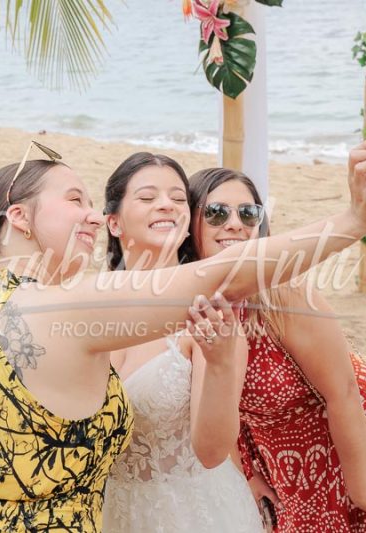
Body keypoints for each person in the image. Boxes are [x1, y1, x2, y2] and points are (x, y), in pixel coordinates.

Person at [0, 136, 366, 532]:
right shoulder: (68, 307)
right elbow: (228, 271)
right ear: (18, 216)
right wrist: (352, 220)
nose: (88, 213)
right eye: (75, 199)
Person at [185, 163, 366, 532]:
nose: (235, 223)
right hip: (290, 468)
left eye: (248, 212)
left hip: (364, 455)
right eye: (215, 212)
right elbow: (223, 405)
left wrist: (363, 492)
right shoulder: (193, 306)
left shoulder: (282, 298)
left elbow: (344, 392)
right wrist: (250, 473)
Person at [99, 153, 262, 531]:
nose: (166, 205)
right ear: (113, 222)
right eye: (147, 197)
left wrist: (221, 362)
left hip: (191, 514)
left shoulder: (207, 313)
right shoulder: (91, 306)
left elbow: (210, 451)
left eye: (176, 197)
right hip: (108, 509)